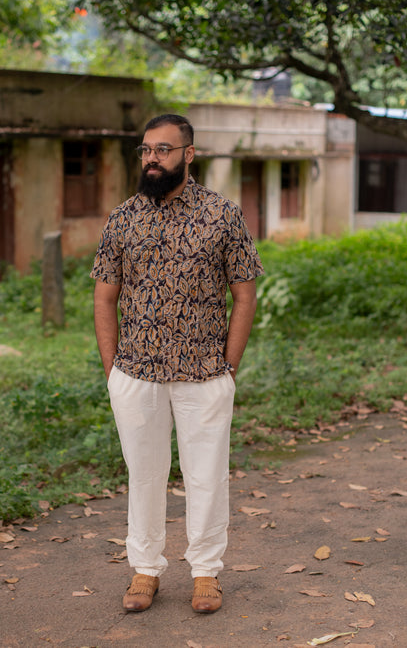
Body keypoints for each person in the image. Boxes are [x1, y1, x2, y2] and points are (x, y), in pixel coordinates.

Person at [91, 113, 264, 614]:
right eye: (146, 150)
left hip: (204, 374)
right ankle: (145, 570)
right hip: (136, 374)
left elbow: (244, 295)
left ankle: (206, 573)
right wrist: (113, 373)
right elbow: (105, 299)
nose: (152, 158)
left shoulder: (221, 215)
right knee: (143, 474)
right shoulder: (123, 218)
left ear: (189, 154)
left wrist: (228, 368)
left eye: (163, 150)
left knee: (207, 475)